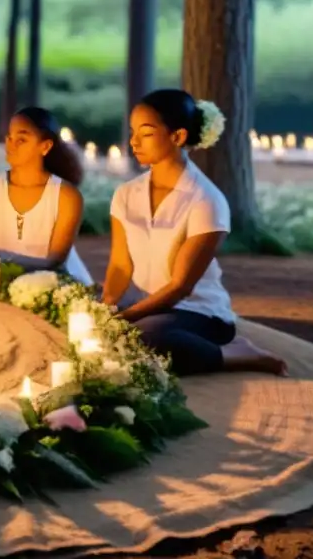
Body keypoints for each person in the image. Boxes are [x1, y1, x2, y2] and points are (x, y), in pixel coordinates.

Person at [102, 89, 286, 376]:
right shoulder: (126, 194)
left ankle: (236, 354)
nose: (134, 141)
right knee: (89, 325)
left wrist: (124, 319)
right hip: (146, 307)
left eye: (146, 133)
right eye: (132, 131)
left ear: (178, 137)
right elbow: (120, 264)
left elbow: (180, 287)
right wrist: (105, 309)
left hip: (198, 313)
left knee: (144, 339)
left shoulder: (205, 200)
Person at [0, 107, 92, 284]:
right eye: (9, 137)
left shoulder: (67, 196)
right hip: (3, 280)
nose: (11, 144)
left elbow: (55, 260)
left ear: (45, 146)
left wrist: (4, 262)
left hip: (57, 286)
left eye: (21, 139)